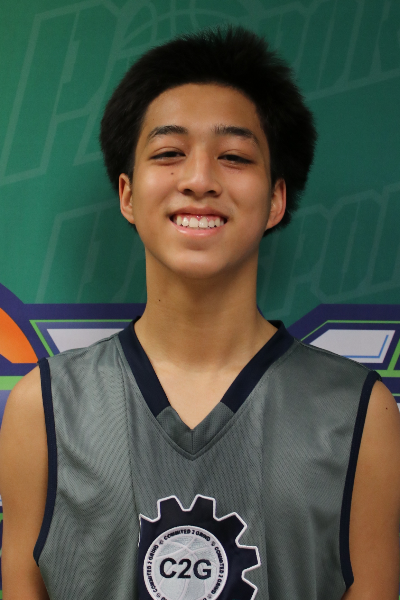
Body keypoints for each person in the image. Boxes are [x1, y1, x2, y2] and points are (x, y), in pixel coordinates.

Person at [0, 26, 399, 600]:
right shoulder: (43, 408)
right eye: (169, 153)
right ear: (128, 194)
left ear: (276, 199)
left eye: (233, 156)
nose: (199, 180)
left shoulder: (359, 413)